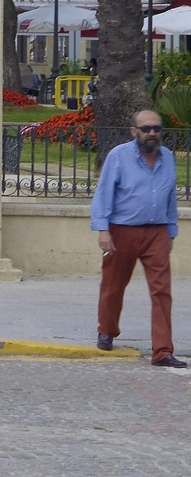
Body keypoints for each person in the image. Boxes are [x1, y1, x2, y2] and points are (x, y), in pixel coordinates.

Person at [92, 109, 183, 366]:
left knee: (162, 291)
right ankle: (107, 330)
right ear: (135, 132)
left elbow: (170, 197)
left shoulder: (167, 156)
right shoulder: (119, 156)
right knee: (113, 285)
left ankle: (163, 351)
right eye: (146, 129)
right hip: (122, 230)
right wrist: (103, 230)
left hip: (157, 232)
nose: (152, 134)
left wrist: (171, 232)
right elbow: (103, 193)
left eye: (157, 129)